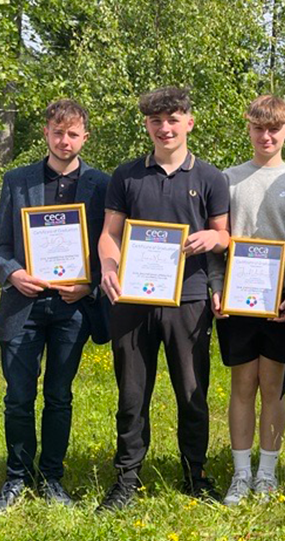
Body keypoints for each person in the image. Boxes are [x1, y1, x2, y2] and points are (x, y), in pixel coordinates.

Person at [95, 87, 230, 510]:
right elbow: (110, 234)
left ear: (189, 122)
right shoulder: (126, 175)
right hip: (132, 299)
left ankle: (195, 475)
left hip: (189, 300)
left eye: (173, 119)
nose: (165, 128)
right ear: (147, 126)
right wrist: (109, 268)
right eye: (156, 121)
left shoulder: (210, 177)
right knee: (132, 394)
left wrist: (212, 238)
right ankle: (126, 480)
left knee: (192, 391)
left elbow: (224, 234)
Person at [0, 99, 110, 512]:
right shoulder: (17, 180)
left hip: (72, 308)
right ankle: (17, 478)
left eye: (73, 134)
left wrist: (89, 284)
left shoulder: (101, 184)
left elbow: (111, 247)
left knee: (59, 395)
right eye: (58, 132)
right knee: (18, 396)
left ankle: (52, 477)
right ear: (46, 133)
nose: (64, 141)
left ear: (85, 137)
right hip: (24, 304)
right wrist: (14, 274)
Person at [207, 95, 285, 505]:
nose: (266, 136)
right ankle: (240, 473)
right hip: (237, 300)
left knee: (274, 387)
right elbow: (217, 240)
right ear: (248, 129)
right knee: (242, 385)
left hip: (281, 302)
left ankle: (267, 473)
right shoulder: (227, 180)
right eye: (258, 128)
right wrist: (217, 284)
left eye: (274, 129)